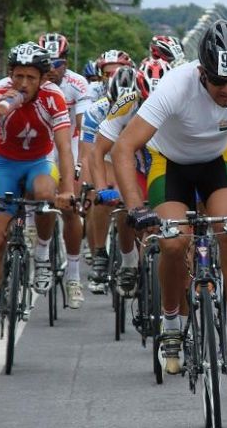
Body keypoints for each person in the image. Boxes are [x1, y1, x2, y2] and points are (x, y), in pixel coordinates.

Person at [112, 20, 227, 375]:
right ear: (201, 71)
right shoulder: (176, 85)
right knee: (173, 243)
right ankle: (171, 325)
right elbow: (125, 147)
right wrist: (135, 208)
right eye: (218, 81)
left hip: (217, 162)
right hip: (170, 164)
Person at [0, 42, 75, 349]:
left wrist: (66, 189)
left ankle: (42, 255)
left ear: (43, 79)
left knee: (43, 194)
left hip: (40, 161)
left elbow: (65, 148)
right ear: (10, 75)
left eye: (31, 77)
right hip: (6, 165)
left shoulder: (53, 98)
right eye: (18, 76)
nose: (24, 84)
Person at [84, 58, 172, 297]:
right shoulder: (125, 104)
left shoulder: (177, 103)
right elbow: (97, 152)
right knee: (123, 206)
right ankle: (129, 262)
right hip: (128, 160)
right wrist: (102, 189)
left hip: (162, 162)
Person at [39, 32, 90, 308]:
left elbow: (83, 127)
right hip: (43, 143)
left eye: (57, 63)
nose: (51, 69)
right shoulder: (33, 81)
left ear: (66, 62)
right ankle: (43, 256)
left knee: (71, 207)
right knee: (44, 200)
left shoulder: (77, 83)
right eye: (46, 63)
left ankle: (73, 276)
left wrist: (80, 163)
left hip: (68, 139)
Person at [80, 65, 139, 293]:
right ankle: (99, 254)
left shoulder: (147, 107)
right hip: (104, 156)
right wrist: (95, 189)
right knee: (101, 195)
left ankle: (132, 261)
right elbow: (89, 155)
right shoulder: (96, 111)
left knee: (130, 202)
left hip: (136, 157)